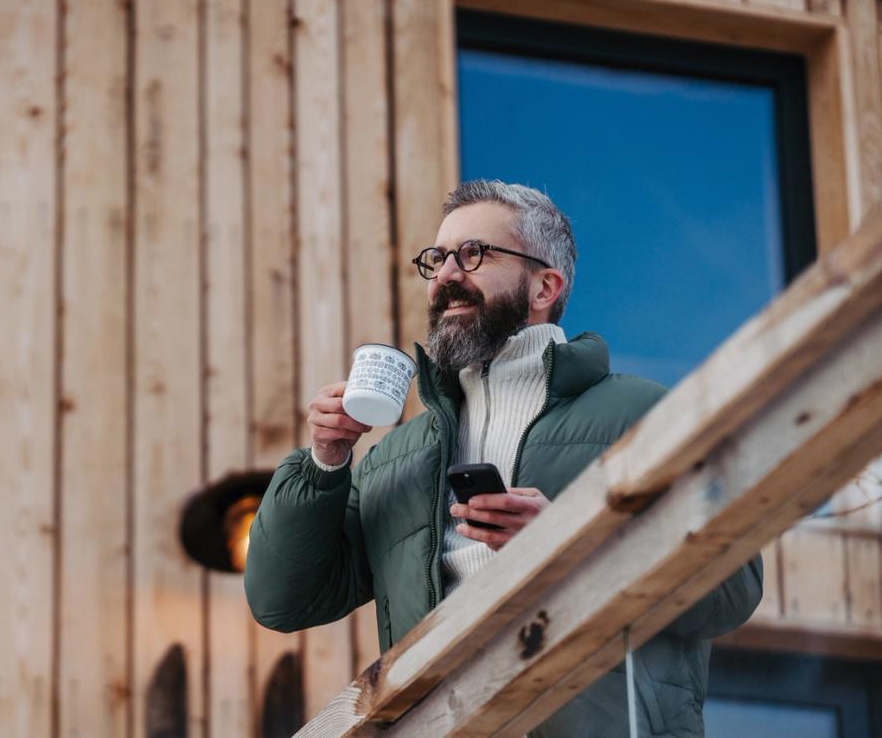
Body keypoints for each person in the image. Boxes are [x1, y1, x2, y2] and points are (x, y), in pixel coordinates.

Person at [243, 179, 761, 737]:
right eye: (437, 259)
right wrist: (324, 462)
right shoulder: (394, 458)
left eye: (473, 254)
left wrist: (571, 537)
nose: (445, 275)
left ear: (544, 286)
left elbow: (732, 590)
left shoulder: (641, 414)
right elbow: (284, 602)